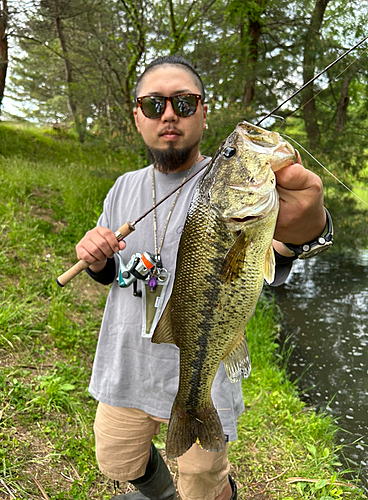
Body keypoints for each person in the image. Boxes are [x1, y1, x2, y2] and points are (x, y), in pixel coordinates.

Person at [75, 55, 332, 500]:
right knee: (117, 459)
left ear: (203, 112)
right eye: (154, 104)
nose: (169, 114)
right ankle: (161, 495)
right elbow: (120, 273)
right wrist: (99, 262)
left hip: (204, 373)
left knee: (202, 484)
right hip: (126, 364)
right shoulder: (122, 187)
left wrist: (308, 226)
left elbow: (291, 240)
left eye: (184, 103)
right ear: (137, 115)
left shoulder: (232, 188)